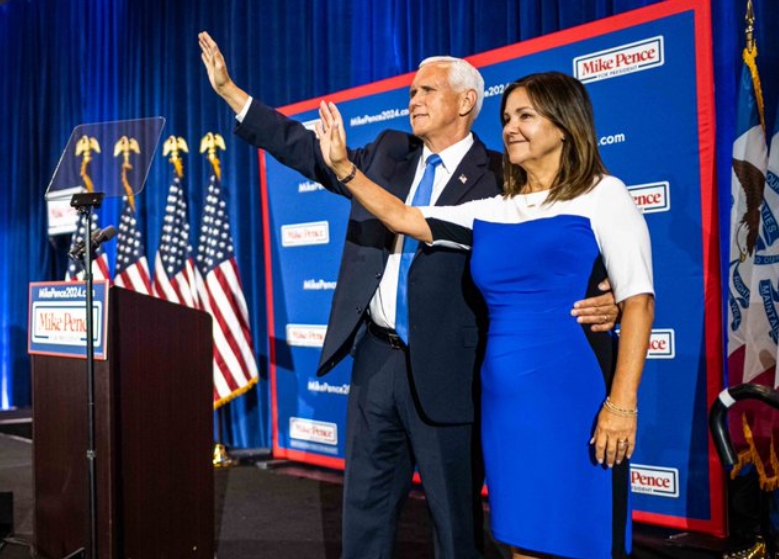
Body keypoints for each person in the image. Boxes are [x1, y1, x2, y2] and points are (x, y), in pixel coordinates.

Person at [199, 31, 620, 559]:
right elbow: (307, 150)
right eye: (412, 91)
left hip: (453, 366)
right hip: (377, 360)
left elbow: (560, 237)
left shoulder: (504, 175)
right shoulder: (387, 152)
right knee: (365, 512)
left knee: (454, 521)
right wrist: (232, 93)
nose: (414, 99)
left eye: (427, 90)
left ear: (465, 102)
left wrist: (606, 293)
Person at [314, 70, 654, 559]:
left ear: (564, 126)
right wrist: (345, 169)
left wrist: (622, 405)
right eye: (506, 118)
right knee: (521, 540)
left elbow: (638, 301)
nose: (510, 128)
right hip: (504, 405)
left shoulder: (604, 194)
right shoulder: (494, 209)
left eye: (525, 116)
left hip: (572, 395)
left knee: (582, 535)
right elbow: (403, 217)